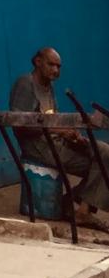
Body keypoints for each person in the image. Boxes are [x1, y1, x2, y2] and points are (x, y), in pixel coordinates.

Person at [11, 47, 109, 228]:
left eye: (58, 66)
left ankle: (78, 208)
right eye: (51, 64)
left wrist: (71, 135)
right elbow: (20, 125)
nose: (55, 70)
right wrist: (59, 131)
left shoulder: (49, 87)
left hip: (56, 142)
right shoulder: (26, 83)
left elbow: (52, 119)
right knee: (102, 165)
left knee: (103, 151)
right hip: (38, 146)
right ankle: (79, 210)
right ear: (38, 62)